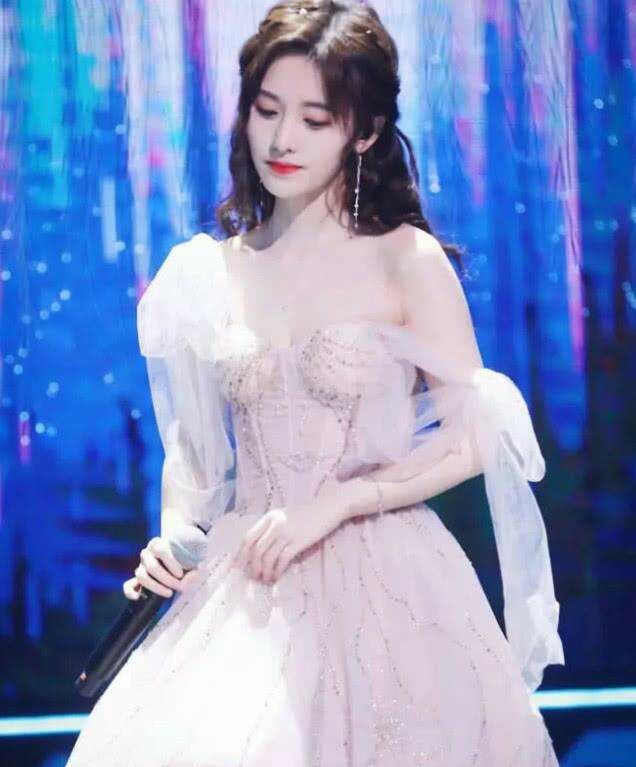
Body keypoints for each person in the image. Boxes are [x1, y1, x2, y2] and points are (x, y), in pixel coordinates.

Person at [66, 2, 565, 765]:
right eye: (267, 110)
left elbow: (474, 434)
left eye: (314, 118)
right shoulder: (207, 272)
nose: (282, 139)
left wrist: (338, 502)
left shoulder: (406, 259)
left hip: (389, 574)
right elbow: (196, 469)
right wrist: (171, 539)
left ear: (363, 132)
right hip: (248, 574)